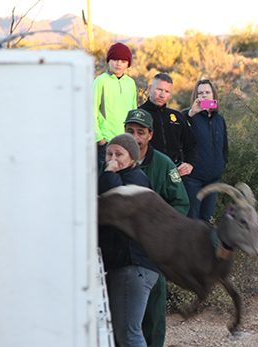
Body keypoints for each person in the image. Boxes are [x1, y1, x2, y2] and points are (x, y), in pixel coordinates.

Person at [123, 109, 190, 347]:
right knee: (119, 309)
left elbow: (181, 202)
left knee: (154, 305)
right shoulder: (114, 161)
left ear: (150, 135)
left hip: (153, 249)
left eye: (140, 132)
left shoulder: (163, 163)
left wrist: (160, 232)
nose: (135, 137)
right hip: (120, 248)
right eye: (130, 131)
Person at [98, 134, 159, 347]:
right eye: (109, 154)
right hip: (129, 266)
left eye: (119, 154)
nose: (113, 159)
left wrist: (108, 171)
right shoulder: (125, 176)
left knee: (129, 334)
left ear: (132, 157)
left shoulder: (135, 180)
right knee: (123, 333)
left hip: (133, 266)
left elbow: (111, 196)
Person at [183, 79, 229, 222]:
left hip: (213, 180)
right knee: (192, 220)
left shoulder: (219, 120)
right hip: (193, 179)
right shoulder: (190, 116)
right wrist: (192, 113)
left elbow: (224, 147)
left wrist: (220, 166)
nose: (204, 96)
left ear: (213, 95)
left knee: (206, 219)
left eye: (207, 92)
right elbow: (177, 129)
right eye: (200, 93)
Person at [138, 73, 198, 177]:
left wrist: (189, 164)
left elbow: (191, 144)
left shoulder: (177, 117)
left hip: (173, 175)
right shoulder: (138, 115)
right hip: (146, 174)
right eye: (159, 90)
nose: (162, 95)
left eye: (167, 91)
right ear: (149, 88)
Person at [94, 42, 137, 170]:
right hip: (106, 142)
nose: (118, 64)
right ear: (109, 60)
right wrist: (100, 140)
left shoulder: (131, 83)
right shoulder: (100, 81)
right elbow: (91, 111)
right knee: (106, 180)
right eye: (115, 60)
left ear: (128, 63)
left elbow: (133, 112)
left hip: (126, 142)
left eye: (123, 61)